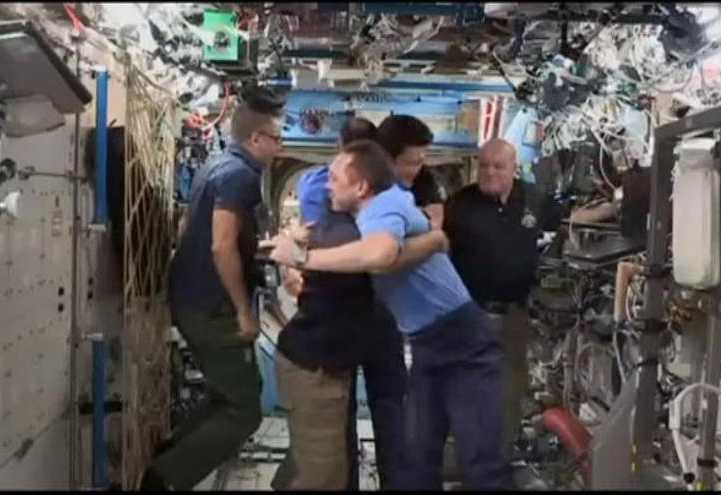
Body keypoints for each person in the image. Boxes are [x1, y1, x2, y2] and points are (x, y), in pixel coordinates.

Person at [262, 140, 511, 490]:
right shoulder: (366, 215)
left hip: (463, 342)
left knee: (480, 460)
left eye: (334, 178)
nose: (326, 184)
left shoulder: (383, 205)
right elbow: (386, 253)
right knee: (417, 459)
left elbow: (379, 255)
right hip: (427, 341)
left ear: (361, 186)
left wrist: (301, 259)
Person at [270, 117, 446, 490]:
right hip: (328, 343)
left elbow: (387, 252)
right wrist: (297, 259)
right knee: (328, 454)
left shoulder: (412, 190)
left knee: (390, 417)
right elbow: (378, 255)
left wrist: (432, 236)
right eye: (411, 162)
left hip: (377, 325)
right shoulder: (333, 200)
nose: (416, 170)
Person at [141, 90, 285, 490]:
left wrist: (257, 248)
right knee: (245, 413)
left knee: (236, 391)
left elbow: (193, 226)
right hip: (212, 308)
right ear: (256, 139)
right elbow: (221, 245)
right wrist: (243, 310)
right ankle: (165, 479)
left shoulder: (217, 163)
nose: (281, 146)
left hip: (190, 298)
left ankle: (170, 453)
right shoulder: (241, 176)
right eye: (277, 138)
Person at [443, 138, 561, 462]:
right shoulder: (459, 205)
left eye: (498, 166)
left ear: (514, 168)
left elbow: (568, 220)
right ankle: (465, 456)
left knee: (510, 390)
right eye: (484, 165)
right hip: (471, 317)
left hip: (514, 316)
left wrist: (613, 204)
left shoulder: (533, 200)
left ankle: (500, 460)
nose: (490, 172)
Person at [376, 114, 446, 228]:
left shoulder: (425, 180)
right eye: (412, 163)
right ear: (386, 159)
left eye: (421, 162)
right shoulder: (367, 189)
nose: (417, 170)